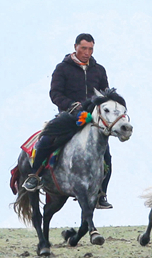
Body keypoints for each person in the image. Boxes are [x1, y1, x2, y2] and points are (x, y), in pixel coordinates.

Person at [26, 32, 114, 208]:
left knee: (106, 157)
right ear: (75, 47)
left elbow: (105, 94)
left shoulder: (99, 70)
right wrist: (71, 105)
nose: (87, 52)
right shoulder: (62, 68)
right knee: (47, 140)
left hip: (92, 119)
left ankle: (101, 193)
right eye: (84, 48)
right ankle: (34, 175)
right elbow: (55, 93)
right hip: (68, 115)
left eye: (90, 49)